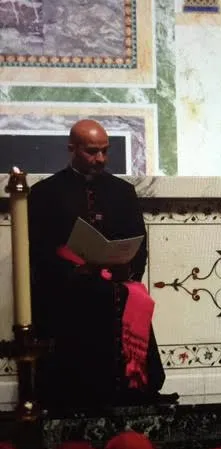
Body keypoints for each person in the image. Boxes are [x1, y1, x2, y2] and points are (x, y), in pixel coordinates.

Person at [28, 119, 169, 406]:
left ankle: (131, 391)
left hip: (115, 283)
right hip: (69, 289)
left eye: (105, 150)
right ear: (72, 148)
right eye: (92, 151)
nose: (101, 158)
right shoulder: (46, 193)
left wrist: (127, 268)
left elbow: (138, 243)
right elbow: (40, 251)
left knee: (130, 298)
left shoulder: (122, 192)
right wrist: (76, 271)